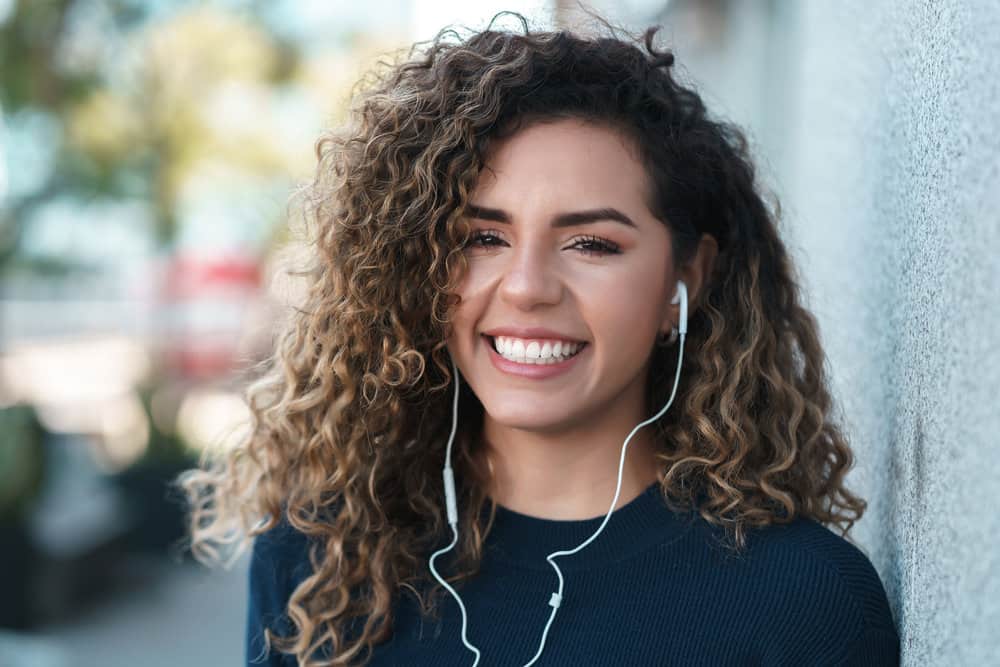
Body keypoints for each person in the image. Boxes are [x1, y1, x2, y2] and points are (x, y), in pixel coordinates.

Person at [177, 11, 901, 667]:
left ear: (688, 278)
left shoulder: (803, 604)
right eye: (483, 237)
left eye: (590, 242)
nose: (526, 286)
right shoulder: (319, 560)